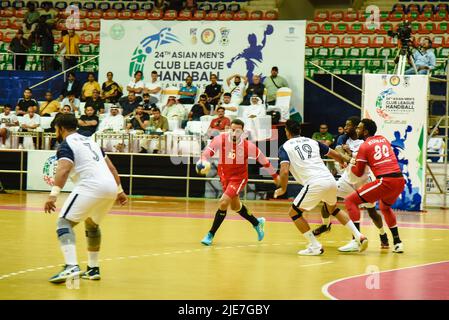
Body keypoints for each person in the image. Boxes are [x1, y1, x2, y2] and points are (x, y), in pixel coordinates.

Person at [44, 113, 128, 283]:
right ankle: (93, 268)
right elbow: (111, 167)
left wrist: (53, 195)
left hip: (91, 186)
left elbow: (64, 170)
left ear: (60, 128)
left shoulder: (66, 144)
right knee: (92, 225)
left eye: (55, 129)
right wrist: (119, 191)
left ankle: (71, 266)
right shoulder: (91, 141)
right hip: (109, 187)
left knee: (64, 223)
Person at [274, 120, 368, 255]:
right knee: (333, 209)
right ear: (300, 130)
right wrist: (342, 161)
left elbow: (283, 171)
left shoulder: (285, 147)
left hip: (314, 183)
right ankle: (359, 236)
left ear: (287, 131)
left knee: (294, 213)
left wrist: (282, 189)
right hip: (330, 180)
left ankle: (315, 246)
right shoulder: (312, 141)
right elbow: (334, 154)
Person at [312, 116, 389, 251]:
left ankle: (383, 234)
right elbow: (339, 152)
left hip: (363, 181)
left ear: (356, 128)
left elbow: (361, 159)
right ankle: (326, 225)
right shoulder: (343, 138)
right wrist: (347, 157)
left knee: (371, 211)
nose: (345, 128)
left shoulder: (366, 141)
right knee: (327, 199)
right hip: (347, 179)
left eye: (348, 126)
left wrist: (350, 154)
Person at [198, 119, 279, 246]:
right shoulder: (221, 139)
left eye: (238, 130)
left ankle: (210, 234)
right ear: (228, 129)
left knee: (223, 202)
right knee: (235, 206)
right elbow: (207, 152)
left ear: (243, 132)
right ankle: (257, 223)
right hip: (224, 176)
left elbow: (264, 160)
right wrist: (202, 159)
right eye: (232, 129)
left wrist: (275, 175)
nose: (234, 133)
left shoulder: (248, 146)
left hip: (238, 178)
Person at [344, 118, 405, 253]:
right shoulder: (383, 139)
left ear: (365, 132)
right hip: (399, 180)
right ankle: (397, 242)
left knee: (350, 201)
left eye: (359, 128)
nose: (357, 130)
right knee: (384, 207)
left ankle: (356, 240)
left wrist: (352, 163)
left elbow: (358, 173)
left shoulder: (364, 146)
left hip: (385, 181)